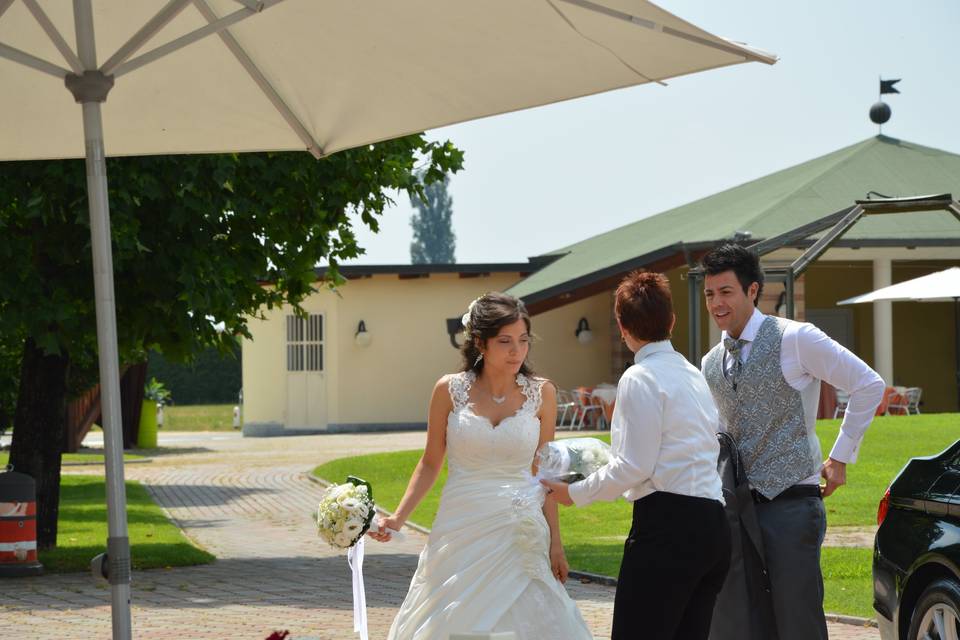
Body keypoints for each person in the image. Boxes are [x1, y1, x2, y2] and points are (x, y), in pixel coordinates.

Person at [369, 292, 592, 640]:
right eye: (505, 341)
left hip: (519, 529)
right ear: (480, 343)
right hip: (461, 526)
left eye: (523, 340)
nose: (516, 351)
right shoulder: (449, 390)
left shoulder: (542, 393)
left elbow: (545, 474)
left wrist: (555, 544)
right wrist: (397, 518)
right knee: (451, 619)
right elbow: (429, 463)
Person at [699, 244, 885, 640]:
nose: (716, 303)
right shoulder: (711, 362)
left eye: (726, 292)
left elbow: (868, 384)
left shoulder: (796, 338)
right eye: (710, 293)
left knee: (798, 624)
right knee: (743, 625)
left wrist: (840, 457)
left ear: (752, 291)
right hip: (737, 509)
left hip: (791, 504)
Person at [543, 270, 731, 640]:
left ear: (621, 325)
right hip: (714, 524)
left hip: (668, 527)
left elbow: (634, 465)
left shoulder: (639, 376)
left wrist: (573, 493)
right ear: (672, 321)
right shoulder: (693, 374)